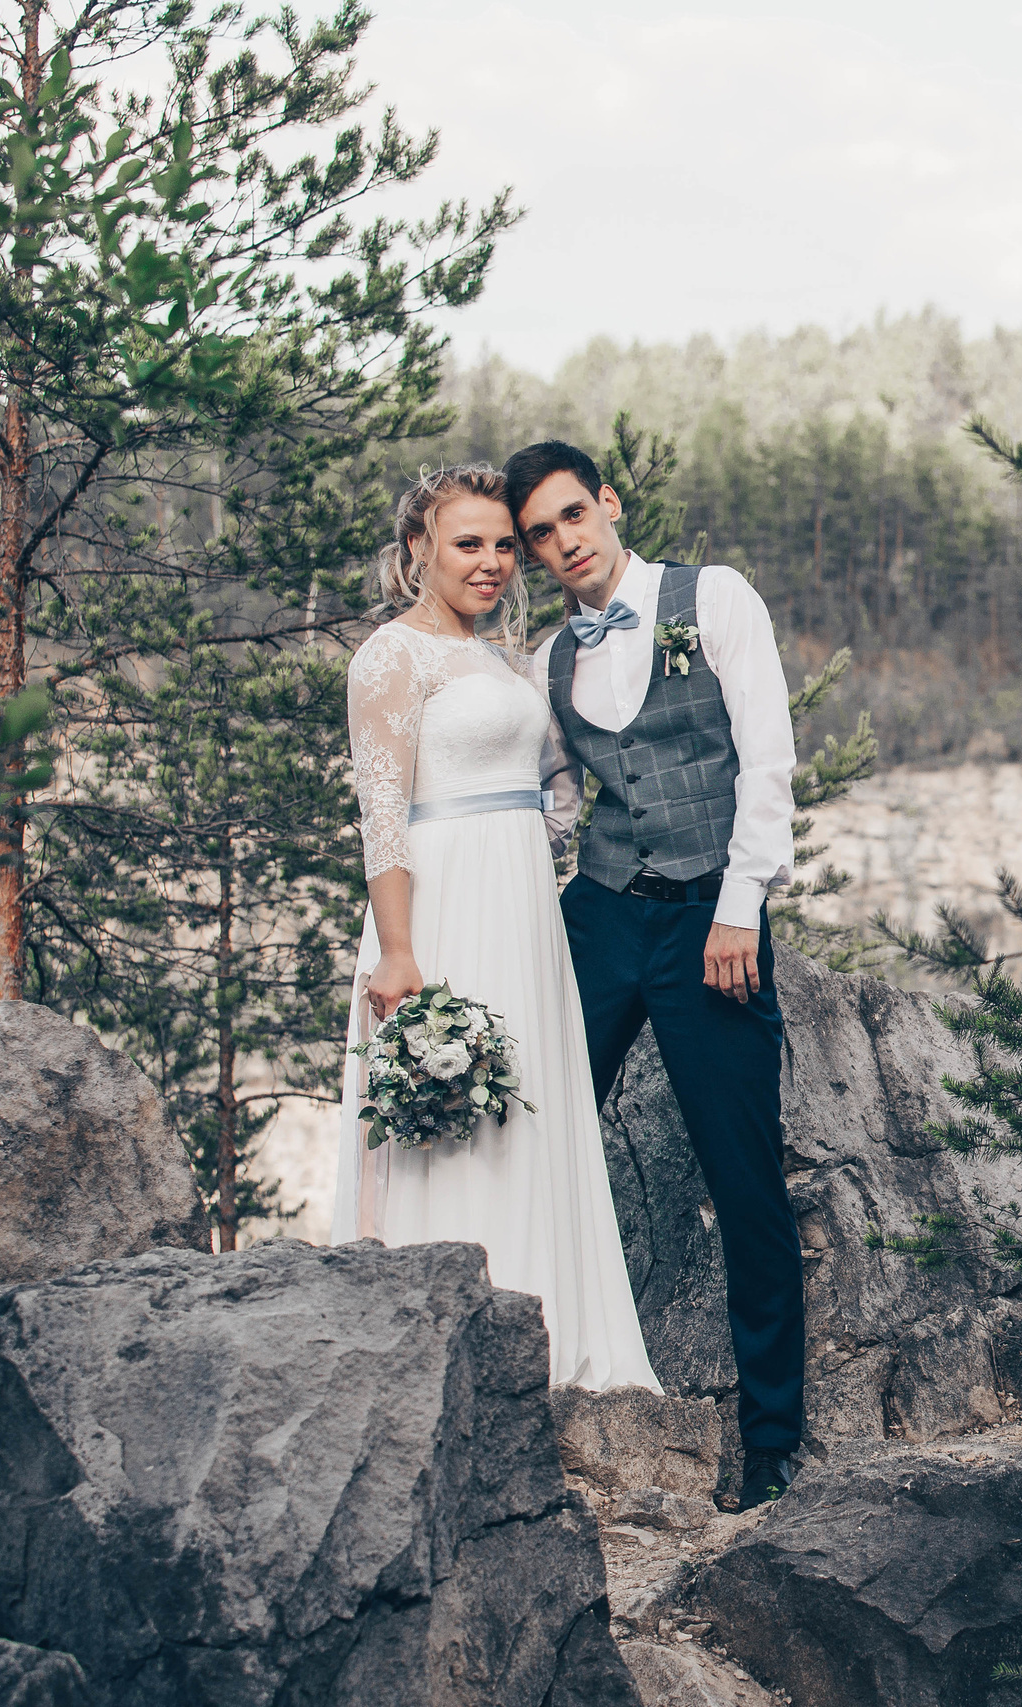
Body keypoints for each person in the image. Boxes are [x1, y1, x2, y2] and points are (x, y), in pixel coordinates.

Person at [505, 439, 803, 1509]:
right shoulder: (550, 660)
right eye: (540, 533)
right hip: (598, 918)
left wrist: (739, 908)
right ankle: (528, 1396)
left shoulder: (712, 597)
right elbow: (558, 802)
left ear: (610, 505)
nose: (562, 543)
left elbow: (767, 761)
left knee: (743, 1178)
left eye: (572, 516)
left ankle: (772, 1445)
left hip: (705, 922)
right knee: (537, 1141)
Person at [329, 464, 661, 1395]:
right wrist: (398, 952)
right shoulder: (392, 658)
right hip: (439, 905)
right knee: (454, 1120)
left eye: (504, 545)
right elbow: (383, 817)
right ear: (418, 552)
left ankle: (558, 1337)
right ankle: (452, 1359)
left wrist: (549, 853)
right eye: (467, 543)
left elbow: (557, 784)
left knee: (532, 1110)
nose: (491, 563)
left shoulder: (507, 661)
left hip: (522, 913)